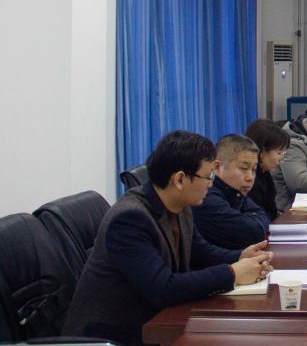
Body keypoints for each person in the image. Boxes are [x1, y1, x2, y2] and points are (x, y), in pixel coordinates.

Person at [63, 131, 274, 346]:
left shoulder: (179, 206)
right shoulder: (129, 219)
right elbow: (163, 287)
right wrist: (232, 273)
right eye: (208, 177)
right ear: (180, 179)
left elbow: (200, 252)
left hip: (153, 321)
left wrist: (240, 257)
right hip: (114, 334)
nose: (211, 184)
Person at [192, 135, 271, 249]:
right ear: (217, 167)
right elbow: (252, 233)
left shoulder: (236, 191)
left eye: (254, 170)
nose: (250, 177)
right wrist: (251, 220)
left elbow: (263, 215)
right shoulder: (206, 196)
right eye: (244, 168)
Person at [245, 119, 291, 220]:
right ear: (262, 151)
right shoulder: (251, 180)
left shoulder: (265, 173)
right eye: (279, 153)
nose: (281, 158)